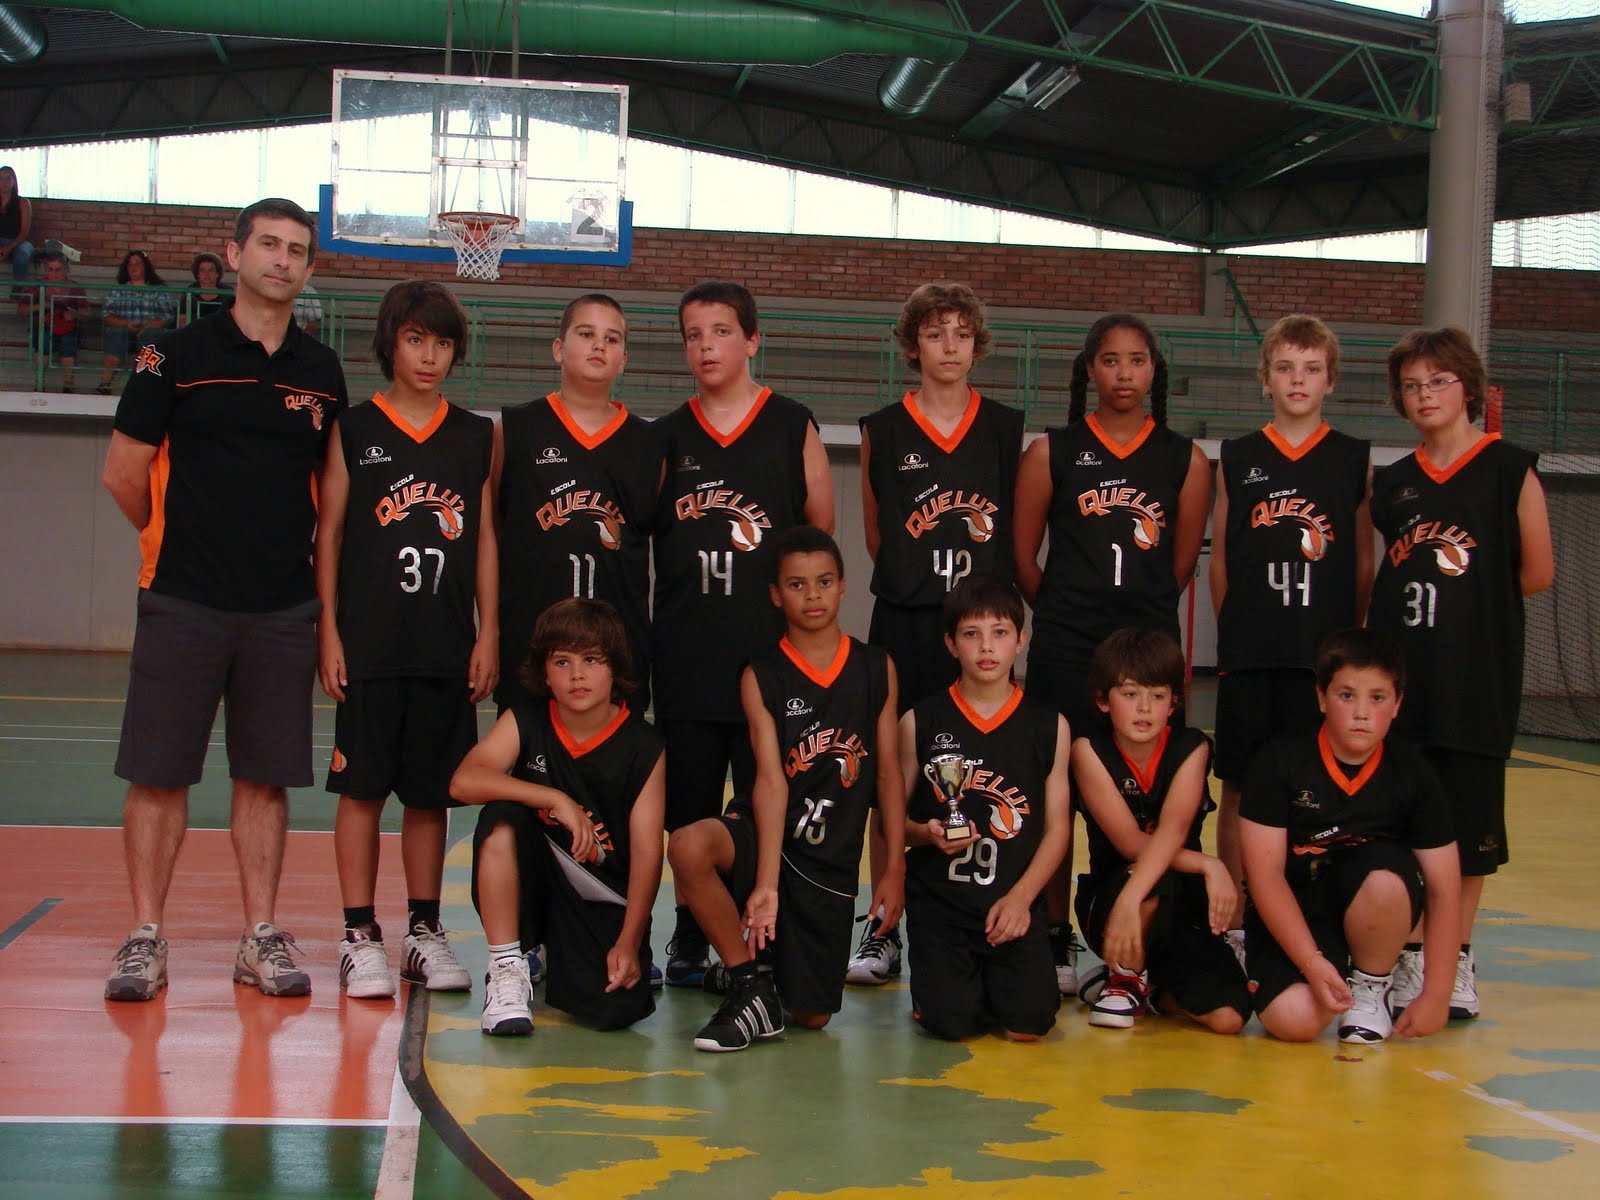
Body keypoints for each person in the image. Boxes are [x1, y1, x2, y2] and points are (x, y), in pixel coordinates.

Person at [100, 197, 347, 1001]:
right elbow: (122, 473)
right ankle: (145, 938)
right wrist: (170, 541)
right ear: (234, 252)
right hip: (184, 600)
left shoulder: (321, 370)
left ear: (309, 268)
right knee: (159, 776)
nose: (282, 259)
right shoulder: (168, 354)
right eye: (268, 245)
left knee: (264, 780)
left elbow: (330, 496)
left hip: (281, 608)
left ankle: (259, 937)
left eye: (296, 250)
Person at [1012, 312, 1212, 996]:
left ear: (1153, 371)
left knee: (1130, 794)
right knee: (1057, 795)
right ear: (1089, 371)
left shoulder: (1185, 458)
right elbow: (1021, 555)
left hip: (1146, 653)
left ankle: (1118, 932)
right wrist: (1069, 612)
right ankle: (1053, 934)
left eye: (1137, 360)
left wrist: (1138, 627)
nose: (1124, 373)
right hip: (1067, 646)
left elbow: (1180, 563)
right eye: (1110, 360)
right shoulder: (1053, 452)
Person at [314, 280, 497, 1000]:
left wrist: (489, 633)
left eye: (443, 342)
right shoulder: (355, 430)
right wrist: (327, 629)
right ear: (390, 342)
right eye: (416, 339)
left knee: (430, 795)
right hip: (370, 641)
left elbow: (482, 538)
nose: (429, 355)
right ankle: (359, 934)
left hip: (445, 643)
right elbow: (327, 536)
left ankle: (426, 932)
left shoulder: (476, 435)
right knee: (360, 790)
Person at [1367, 327, 1554, 1021]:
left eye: (1438, 381)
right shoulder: (1393, 483)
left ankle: (1457, 959)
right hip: (1405, 680)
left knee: (1469, 830)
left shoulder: (1509, 469)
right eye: (1412, 386)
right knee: (1406, 819)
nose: (1425, 395)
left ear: (1468, 388)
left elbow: (1536, 572)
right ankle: (1410, 955)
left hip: (1476, 677)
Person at [652, 281, 833, 987]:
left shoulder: (791, 424)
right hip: (689, 653)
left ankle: (763, 928)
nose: (706, 347)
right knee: (691, 810)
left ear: (752, 340)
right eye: (693, 335)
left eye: (721, 332)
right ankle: (692, 935)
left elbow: (820, 533)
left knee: (764, 804)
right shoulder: (665, 435)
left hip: (768, 658)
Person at [847, 281, 1024, 987]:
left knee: (987, 769)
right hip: (907, 620)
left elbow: (1018, 529)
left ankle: (974, 910)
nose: (948, 346)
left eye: (960, 333)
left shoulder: (1007, 428)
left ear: (976, 345)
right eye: (933, 333)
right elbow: (874, 530)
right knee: (893, 769)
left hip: (981, 631)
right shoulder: (882, 428)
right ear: (911, 344)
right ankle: (884, 919)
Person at [666, 528, 904, 1051]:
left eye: (823, 582)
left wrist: (894, 869)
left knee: (812, 1015)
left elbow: (887, 775)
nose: (812, 595)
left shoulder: (874, 668)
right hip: (766, 835)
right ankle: (748, 983)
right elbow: (770, 781)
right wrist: (766, 885)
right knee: (688, 845)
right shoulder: (762, 673)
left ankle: (761, 980)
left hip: (828, 863)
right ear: (776, 594)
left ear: (844, 587)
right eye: (797, 584)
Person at [1209, 314, 1373, 924]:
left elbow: (1361, 563)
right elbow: (1222, 560)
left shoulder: (1353, 459)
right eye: (1284, 368)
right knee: (1241, 786)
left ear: (1330, 380)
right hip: (1253, 653)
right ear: (1265, 379)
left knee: (1319, 786)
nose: (1297, 380)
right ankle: (1234, 913)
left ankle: (1309, 907)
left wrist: (1341, 647)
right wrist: (1236, 636)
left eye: (1310, 369)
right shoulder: (1239, 456)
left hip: (1319, 656)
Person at [451, 599, 666, 1035]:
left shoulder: (643, 746)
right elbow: (464, 781)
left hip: (598, 892)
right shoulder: (527, 719)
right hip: (539, 876)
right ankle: (508, 965)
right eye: (562, 662)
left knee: (614, 1012)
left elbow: (647, 856)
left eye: (591, 660)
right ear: (544, 672)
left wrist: (628, 940)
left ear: (615, 669)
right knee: (501, 817)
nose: (577, 675)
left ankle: (557, 951)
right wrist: (552, 797)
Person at [1240, 627, 1461, 1043]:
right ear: (1322, 698)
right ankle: (1330, 969)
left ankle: (1371, 983)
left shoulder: (1412, 772)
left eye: (1377, 698)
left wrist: (1437, 994)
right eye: (1347, 696)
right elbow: (1265, 876)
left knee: (1385, 882)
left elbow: (1444, 888)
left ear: (1397, 704)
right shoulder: (1279, 761)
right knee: (1294, 1022)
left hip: (1371, 905)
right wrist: (1312, 962)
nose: (1362, 712)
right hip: (1298, 909)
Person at [900, 576, 1069, 1042]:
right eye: (971, 634)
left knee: (1030, 1025)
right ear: (951, 644)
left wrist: (1022, 898)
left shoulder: (1049, 724)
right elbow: (890, 821)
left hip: (1011, 903)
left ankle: (993, 980)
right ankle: (939, 988)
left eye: (999, 632)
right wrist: (924, 833)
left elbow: (1057, 830)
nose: (986, 647)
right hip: (942, 907)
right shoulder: (920, 720)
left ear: (1021, 639)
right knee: (950, 1025)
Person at [1071, 628, 1248, 1033]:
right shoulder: (1088, 751)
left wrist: (1204, 870)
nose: (1144, 708)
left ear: (1174, 703)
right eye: (1130, 694)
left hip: (1181, 906)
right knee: (1151, 878)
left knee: (1229, 1017)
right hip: (1115, 900)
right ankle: (1124, 977)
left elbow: (1171, 830)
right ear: (1103, 700)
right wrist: (1208, 864)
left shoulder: (1193, 748)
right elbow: (1131, 844)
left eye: (1157, 695)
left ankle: (1155, 990)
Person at [496, 293, 659, 716]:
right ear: (558, 348)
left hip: (616, 650)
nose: (599, 345)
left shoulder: (650, 444)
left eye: (612, 338)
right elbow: (492, 532)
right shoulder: (514, 429)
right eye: (586, 334)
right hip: (531, 643)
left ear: (624, 358)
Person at [97, 250, 176, 395]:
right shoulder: (118, 290)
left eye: (138, 263)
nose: (134, 267)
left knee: (151, 339)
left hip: (149, 330)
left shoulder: (158, 290)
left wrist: (147, 326)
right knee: (116, 335)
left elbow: (167, 316)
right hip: (122, 329)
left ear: (145, 267)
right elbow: (106, 314)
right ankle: (104, 384)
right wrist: (125, 324)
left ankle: (140, 386)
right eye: (130, 264)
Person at [31, 251, 88, 393]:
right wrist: (42, 306)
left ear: (66, 270)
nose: (54, 273)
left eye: (58, 269)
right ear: (46, 270)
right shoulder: (37, 286)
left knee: (68, 343)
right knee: (42, 341)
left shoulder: (76, 288)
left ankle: (68, 385)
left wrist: (75, 314)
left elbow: (87, 314)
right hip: (43, 325)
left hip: (67, 327)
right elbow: (21, 309)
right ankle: (39, 383)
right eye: (50, 269)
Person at [0, 164, 35, 287]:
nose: (4, 182)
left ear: (14, 181)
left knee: (22, 255)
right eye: (1, 178)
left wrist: (7, 248)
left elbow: (24, 232)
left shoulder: (23, 203)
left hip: (19, 242)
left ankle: (18, 290)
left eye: (8, 178)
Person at [185, 252, 232, 323]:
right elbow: (182, 319)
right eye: (202, 270)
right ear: (197, 274)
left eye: (211, 270)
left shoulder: (228, 293)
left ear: (217, 273)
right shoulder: (190, 292)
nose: (206, 274)